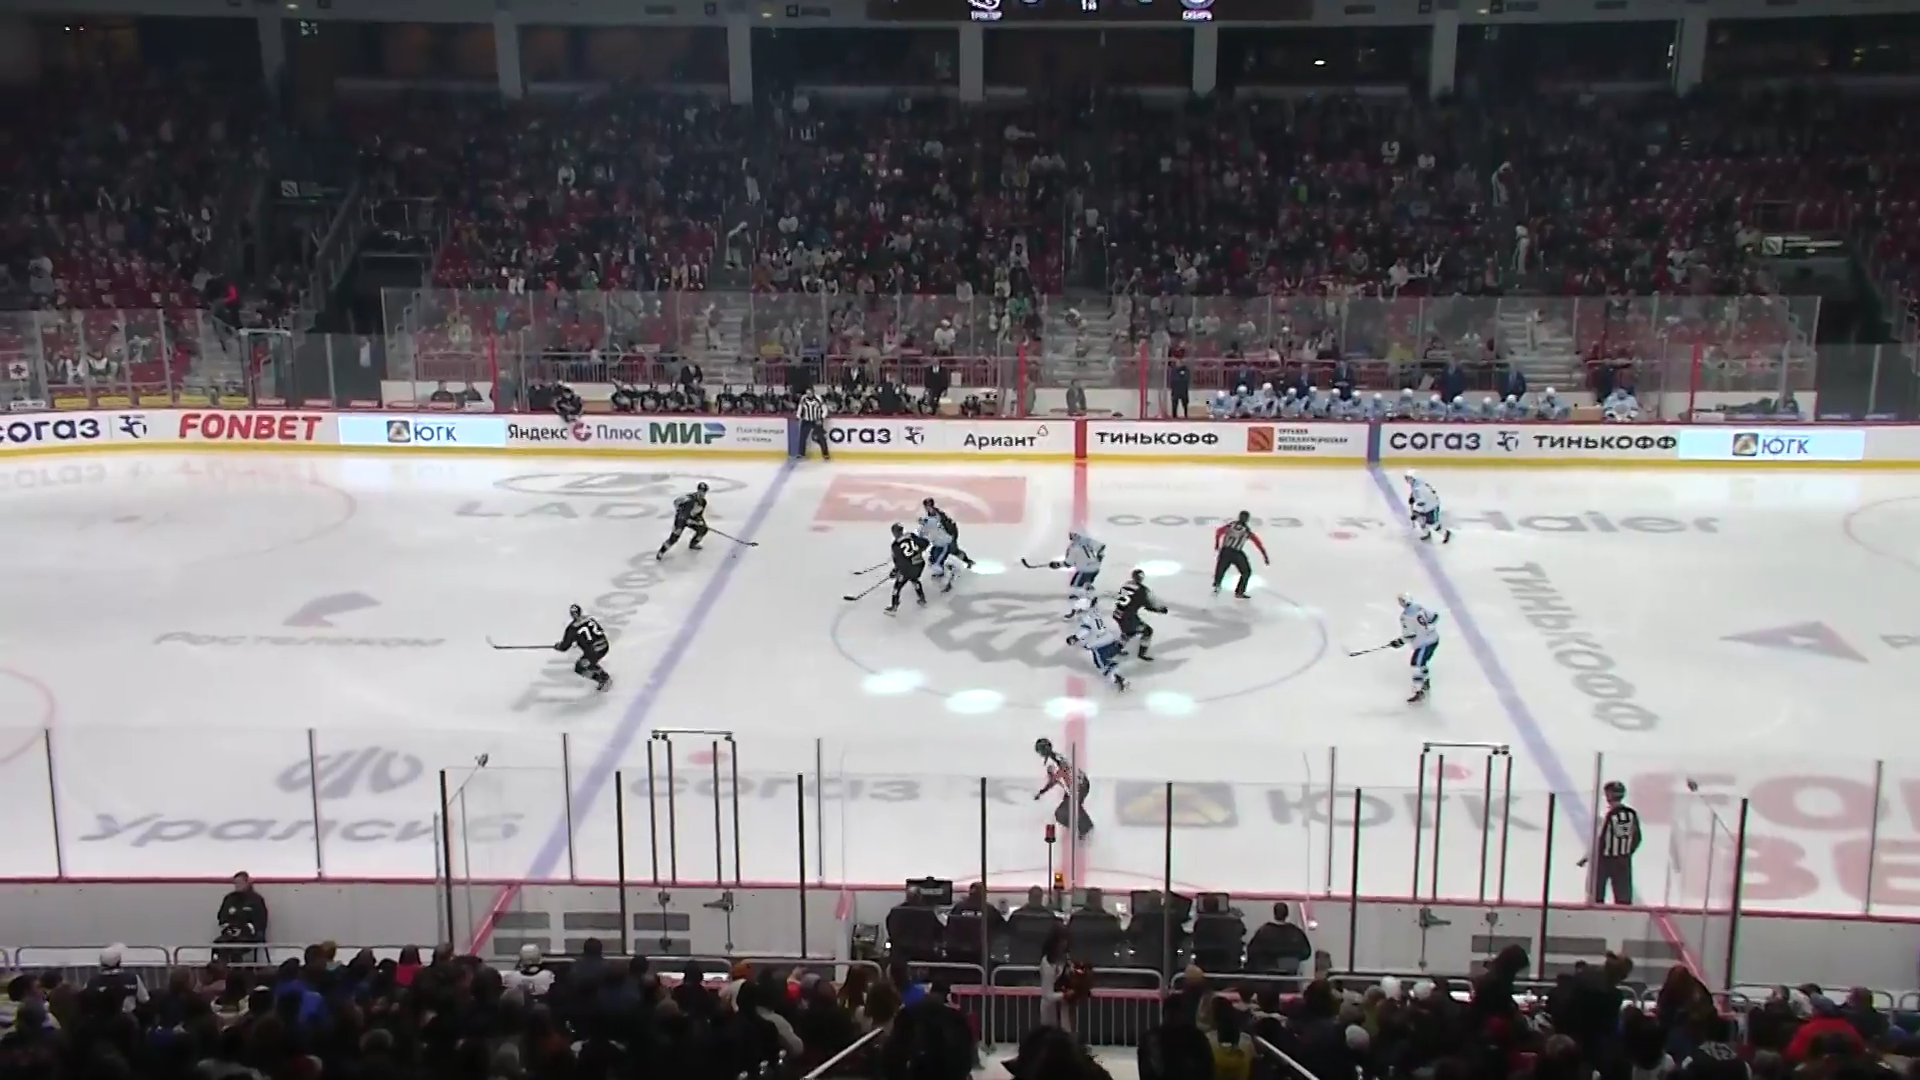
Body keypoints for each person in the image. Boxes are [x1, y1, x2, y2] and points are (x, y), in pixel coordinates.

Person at [1578, 780, 1642, 903]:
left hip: (1604, 859)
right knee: (1623, 895)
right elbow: (1637, 838)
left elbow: (1600, 838)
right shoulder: (1631, 814)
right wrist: (1626, 853)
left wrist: (1587, 857)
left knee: (1596, 893)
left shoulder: (1607, 815)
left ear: (1608, 795)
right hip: (1623, 860)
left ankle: (1597, 910)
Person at [1391, 594, 1441, 703]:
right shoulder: (1419, 607)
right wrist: (1430, 626)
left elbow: (1409, 635)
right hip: (1433, 640)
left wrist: (1399, 642)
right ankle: (1425, 684)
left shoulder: (1405, 617)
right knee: (1421, 664)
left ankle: (1419, 691)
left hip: (1424, 643)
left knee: (1416, 665)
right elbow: (1435, 616)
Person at [1212, 511, 1270, 598]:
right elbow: (1257, 542)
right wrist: (1265, 556)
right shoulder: (1246, 530)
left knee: (1221, 569)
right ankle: (1238, 592)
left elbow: (1218, 531)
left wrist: (1217, 544)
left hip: (1226, 551)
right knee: (1245, 572)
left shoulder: (1231, 526)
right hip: (1235, 552)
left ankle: (1218, 585)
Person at [555, 604, 612, 691]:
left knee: (580, 668)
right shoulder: (590, 619)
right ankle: (603, 676)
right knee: (589, 661)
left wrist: (558, 646)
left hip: (594, 651)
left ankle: (603, 679)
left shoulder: (572, 628)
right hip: (604, 645)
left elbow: (564, 647)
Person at [656, 482, 710, 559]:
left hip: (692, 518)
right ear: (698, 490)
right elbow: (681, 512)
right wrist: (687, 520)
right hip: (680, 520)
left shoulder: (703, 502)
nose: (702, 493)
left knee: (703, 529)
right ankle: (661, 552)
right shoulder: (689, 500)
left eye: (704, 491)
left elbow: (699, 514)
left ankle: (693, 544)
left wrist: (700, 521)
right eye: (701, 491)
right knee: (674, 537)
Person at [885, 523, 928, 615]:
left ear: (894, 532)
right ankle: (922, 599)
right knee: (915, 579)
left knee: (897, 587)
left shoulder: (895, 545)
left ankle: (894, 606)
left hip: (907, 568)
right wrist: (919, 552)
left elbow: (899, 562)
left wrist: (895, 571)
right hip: (919, 565)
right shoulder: (911, 536)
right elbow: (925, 543)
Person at [1404, 470, 1452, 544]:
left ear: (1413, 478)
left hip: (1431, 507)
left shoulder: (1417, 488)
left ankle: (1445, 533)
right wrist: (1413, 497)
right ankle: (1427, 533)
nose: (1407, 480)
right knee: (1421, 520)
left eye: (1408, 478)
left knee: (1433, 524)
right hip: (1428, 505)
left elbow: (1421, 501)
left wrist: (1416, 512)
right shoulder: (1419, 482)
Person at [796, 387, 831, 460]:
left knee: (820, 437)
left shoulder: (818, 398)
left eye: (810, 393)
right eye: (807, 393)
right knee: (802, 437)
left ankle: (825, 454)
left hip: (816, 420)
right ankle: (801, 453)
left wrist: (821, 418)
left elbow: (825, 409)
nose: (808, 394)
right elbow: (800, 407)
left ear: (813, 392)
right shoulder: (803, 398)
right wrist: (798, 416)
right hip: (806, 420)